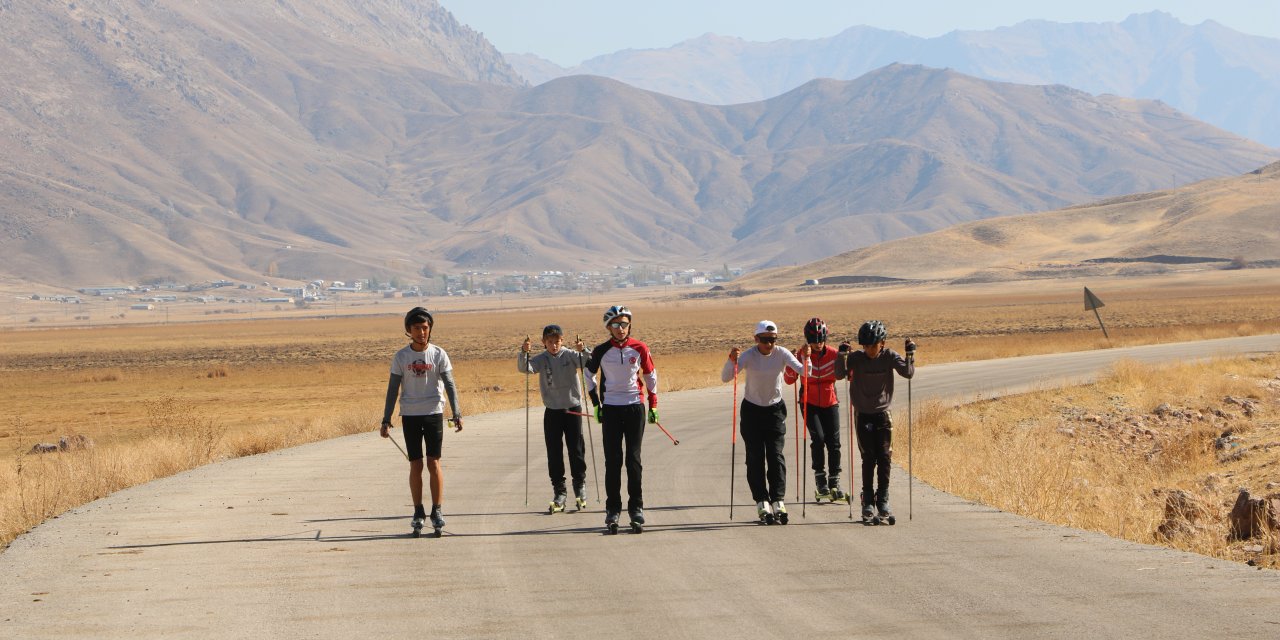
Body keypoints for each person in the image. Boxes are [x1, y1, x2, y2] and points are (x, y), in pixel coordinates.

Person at [380, 307, 463, 536]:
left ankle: (437, 510)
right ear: (409, 330)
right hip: (410, 414)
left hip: (433, 412)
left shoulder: (438, 354)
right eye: (417, 328)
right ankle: (418, 511)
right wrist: (386, 419)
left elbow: (449, 384)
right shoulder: (401, 357)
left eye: (425, 328)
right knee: (415, 464)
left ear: (430, 329)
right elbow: (392, 389)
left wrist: (457, 412)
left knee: (433, 463)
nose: (421, 332)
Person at [721, 320, 809, 525]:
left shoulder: (782, 353)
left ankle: (777, 499)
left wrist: (806, 358)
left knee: (775, 455)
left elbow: (806, 372)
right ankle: (761, 500)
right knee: (755, 457)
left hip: (775, 411)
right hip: (752, 410)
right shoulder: (749, 355)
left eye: (773, 340)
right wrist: (731, 361)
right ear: (756, 339)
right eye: (765, 340)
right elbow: (726, 377)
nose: (769, 344)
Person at [585, 305, 658, 533]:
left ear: (629, 325)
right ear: (609, 327)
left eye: (624, 324)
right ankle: (613, 509)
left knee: (633, 460)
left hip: (635, 407)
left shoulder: (639, 348)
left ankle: (636, 508)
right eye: (615, 325)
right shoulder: (601, 350)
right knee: (613, 461)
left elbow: (650, 375)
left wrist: (653, 404)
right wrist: (596, 403)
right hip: (611, 409)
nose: (620, 329)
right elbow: (589, 374)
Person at [836, 320, 914, 523]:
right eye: (866, 346)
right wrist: (842, 356)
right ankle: (868, 500)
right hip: (862, 414)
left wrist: (909, 354)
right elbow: (839, 374)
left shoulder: (889, 357)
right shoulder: (856, 358)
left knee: (885, 457)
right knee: (868, 458)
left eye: (874, 345)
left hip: (883, 414)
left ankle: (883, 500)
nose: (870, 350)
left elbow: (908, 373)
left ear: (883, 343)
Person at [519, 324, 592, 513]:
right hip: (552, 410)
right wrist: (523, 352)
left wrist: (582, 349)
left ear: (562, 341)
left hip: (573, 408)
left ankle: (580, 486)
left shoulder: (569, 355)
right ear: (544, 343)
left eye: (557, 341)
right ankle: (559, 491)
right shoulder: (541, 359)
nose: (554, 345)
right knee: (554, 452)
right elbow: (525, 368)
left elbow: (588, 361)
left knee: (576, 449)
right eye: (550, 342)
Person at [783, 317, 847, 503]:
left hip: (830, 402)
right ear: (807, 339)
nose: (818, 344)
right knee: (818, 439)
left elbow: (848, 375)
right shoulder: (801, 355)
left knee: (834, 443)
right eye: (813, 341)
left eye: (821, 340)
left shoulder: (834, 354)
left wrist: (845, 358)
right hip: (809, 403)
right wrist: (793, 361)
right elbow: (788, 380)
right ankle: (821, 481)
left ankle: (835, 482)